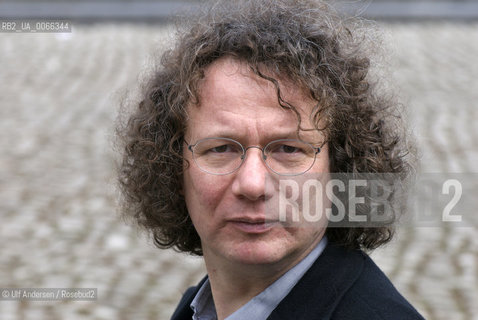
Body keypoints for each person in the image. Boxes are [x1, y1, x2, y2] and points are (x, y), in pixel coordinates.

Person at [116, 0, 424, 319]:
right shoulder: (195, 310)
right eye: (221, 149)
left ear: (340, 170)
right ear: (174, 169)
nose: (252, 183)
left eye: (288, 150)